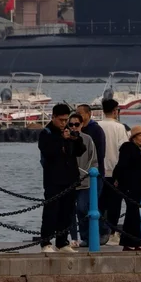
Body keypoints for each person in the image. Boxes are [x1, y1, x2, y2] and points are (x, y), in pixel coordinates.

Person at [38, 103, 87, 253]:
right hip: (53, 179)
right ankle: (45, 242)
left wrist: (75, 138)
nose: (63, 123)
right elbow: (48, 152)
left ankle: (62, 242)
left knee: (67, 212)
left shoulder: (69, 131)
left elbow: (80, 151)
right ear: (53, 117)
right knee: (51, 212)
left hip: (70, 178)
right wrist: (62, 140)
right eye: (61, 120)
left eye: (66, 120)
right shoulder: (46, 133)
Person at [114, 125, 141, 250]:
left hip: (137, 186)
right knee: (133, 213)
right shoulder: (128, 147)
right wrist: (119, 180)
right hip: (130, 186)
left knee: (132, 213)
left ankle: (128, 242)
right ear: (133, 137)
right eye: (140, 135)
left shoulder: (138, 149)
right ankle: (135, 242)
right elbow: (122, 165)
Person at [98, 98, 129, 245]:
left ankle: (99, 231)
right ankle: (112, 233)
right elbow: (124, 149)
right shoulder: (119, 127)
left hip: (99, 171)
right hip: (115, 171)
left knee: (100, 203)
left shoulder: (97, 126)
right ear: (115, 110)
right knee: (115, 204)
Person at [72, 112, 98, 248]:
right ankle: (72, 238)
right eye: (71, 124)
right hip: (68, 182)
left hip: (84, 181)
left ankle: (86, 237)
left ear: (82, 124)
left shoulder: (88, 139)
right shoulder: (65, 138)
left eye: (77, 124)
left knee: (82, 209)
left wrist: (84, 173)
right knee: (69, 210)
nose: (74, 127)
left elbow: (93, 159)